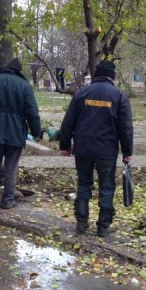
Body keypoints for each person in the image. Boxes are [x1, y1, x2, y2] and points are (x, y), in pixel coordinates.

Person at [59, 60, 133, 237]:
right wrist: (127, 152)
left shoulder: (81, 93)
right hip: (106, 151)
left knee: (84, 183)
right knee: (107, 186)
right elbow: (126, 128)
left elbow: (67, 123)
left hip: (83, 149)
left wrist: (65, 146)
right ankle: (103, 226)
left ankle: (81, 223)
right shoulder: (119, 95)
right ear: (112, 76)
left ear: (96, 75)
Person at [0, 58, 42, 209]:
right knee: (11, 168)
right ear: (19, 71)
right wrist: (36, 132)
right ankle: (8, 200)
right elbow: (32, 112)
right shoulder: (24, 86)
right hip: (16, 133)